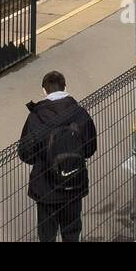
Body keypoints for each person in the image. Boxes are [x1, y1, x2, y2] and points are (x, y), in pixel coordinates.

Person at [17, 70, 98, 242]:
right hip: (74, 184)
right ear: (65, 87)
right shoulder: (80, 113)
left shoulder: (36, 117)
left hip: (46, 188)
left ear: (44, 91)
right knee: (71, 232)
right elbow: (90, 148)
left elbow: (25, 154)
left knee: (47, 235)